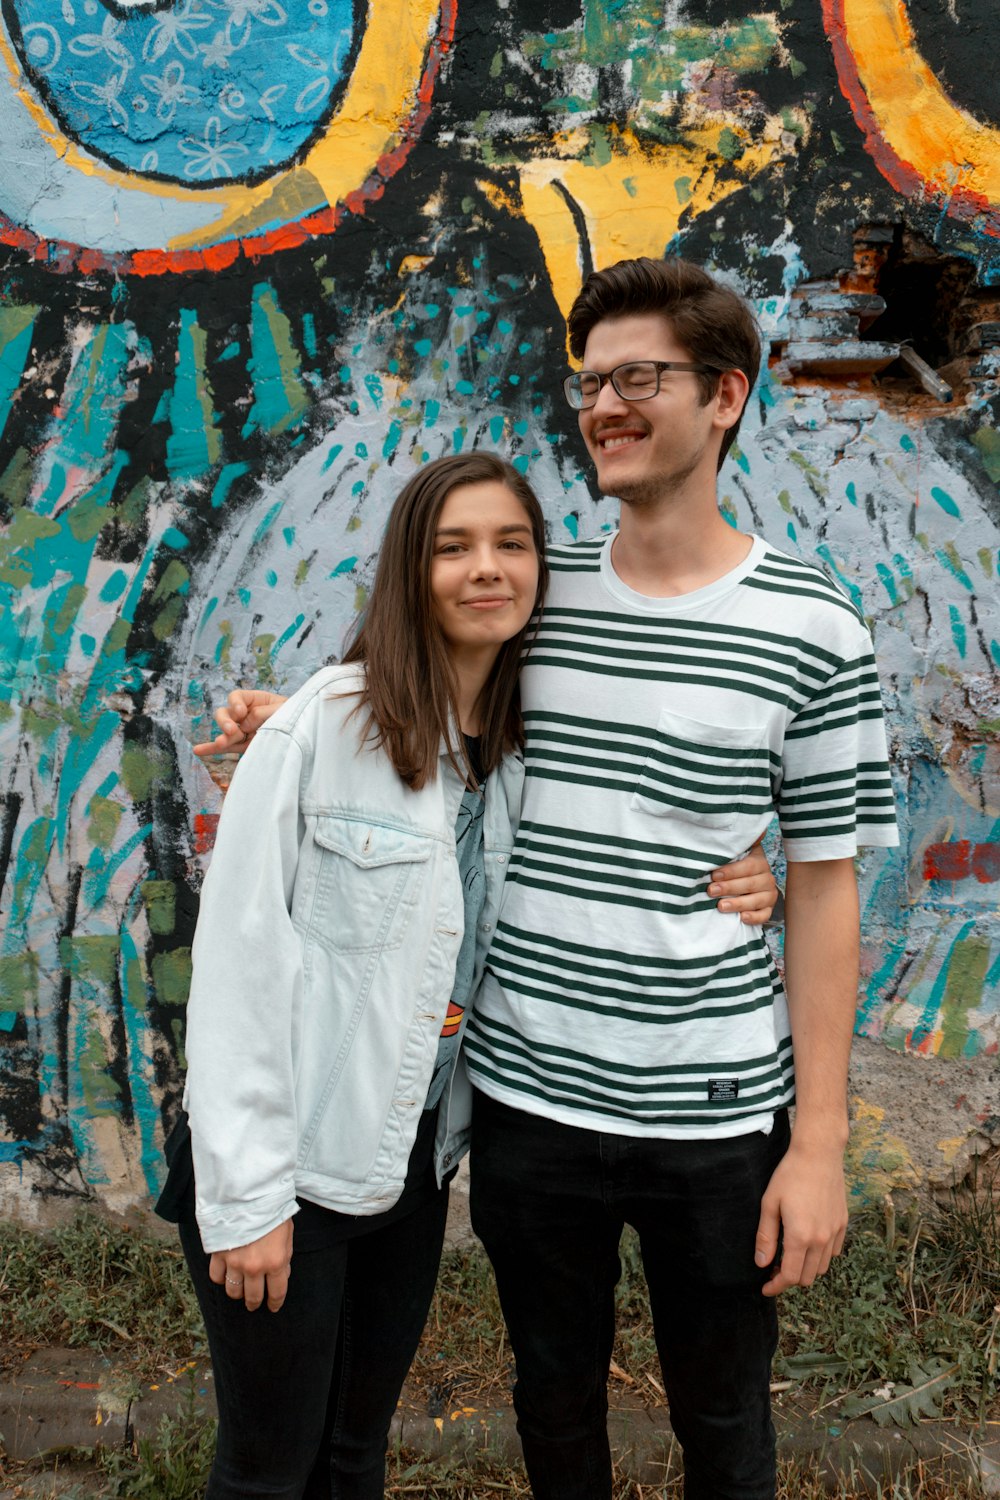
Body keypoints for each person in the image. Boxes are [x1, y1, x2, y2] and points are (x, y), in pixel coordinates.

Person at [195, 256, 879, 1500]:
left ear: (724, 396)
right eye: (589, 382)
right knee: (551, 1407)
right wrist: (278, 721)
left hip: (714, 1118)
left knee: (725, 1422)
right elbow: (411, 693)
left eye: (638, 378)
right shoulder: (542, 595)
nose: (604, 405)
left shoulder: (815, 627)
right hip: (529, 1109)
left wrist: (819, 1140)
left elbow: (828, 880)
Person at [158, 451, 549, 1500]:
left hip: (409, 1165)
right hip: (290, 1164)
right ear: (407, 571)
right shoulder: (320, 727)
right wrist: (246, 1203)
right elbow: (239, 972)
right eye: (452, 546)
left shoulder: (513, 755)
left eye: (511, 544)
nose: (486, 569)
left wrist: (751, 866)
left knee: (352, 1454)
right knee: (267, 1465)